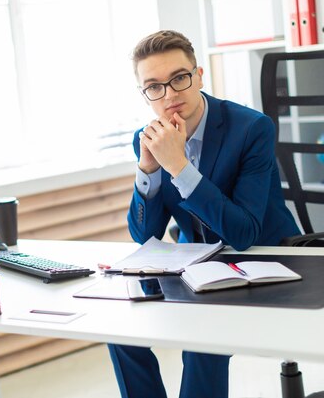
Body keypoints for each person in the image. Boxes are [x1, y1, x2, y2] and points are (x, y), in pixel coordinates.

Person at [107, 30, 301, 398]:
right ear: (144, 94)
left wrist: (178, 166)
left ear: (198, 75)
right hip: (197, 265)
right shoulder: (148, 139)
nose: (170, 95)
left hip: (263, 259)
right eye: (154, 87)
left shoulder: (251, 129)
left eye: (179, 78)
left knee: (202, 340)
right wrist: (148, 169)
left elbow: (243, 234)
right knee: (120, 328)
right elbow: (144, 233)